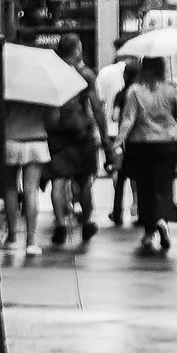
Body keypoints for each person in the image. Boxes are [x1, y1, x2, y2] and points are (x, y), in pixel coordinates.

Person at [114, 54, 177, 256]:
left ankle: (148, 232)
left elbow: (128, 119)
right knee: (164, 185)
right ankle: (162, 219)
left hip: (142, 145)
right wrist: (173, 126)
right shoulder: (171, 89)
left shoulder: (135, 91)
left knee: (145, 187)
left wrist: (118, 142)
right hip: (167, 144)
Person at [46, 37, 104, 250]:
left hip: (58, 134)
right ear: (77, 49)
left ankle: (60, 224)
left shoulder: (52, 74)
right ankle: (87, 222)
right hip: (81, 134)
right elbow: (96, 107)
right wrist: (104, 135)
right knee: (85, 180)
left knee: (58, 181)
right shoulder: (85, 75)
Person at [1, 70, 51, 262]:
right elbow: (52, 119)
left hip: (11, 139)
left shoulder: (8, 89)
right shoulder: (42, 92)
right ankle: (31, 241)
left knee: (10, 188)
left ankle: (12, 236)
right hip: (36, 140)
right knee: (31, 190)